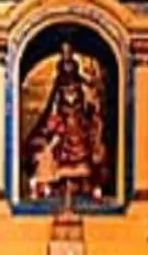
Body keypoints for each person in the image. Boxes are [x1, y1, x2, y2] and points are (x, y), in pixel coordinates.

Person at [24, 43, 107, 200]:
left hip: (78, 120)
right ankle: (51, 181)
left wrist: (93, 87)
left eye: (69, 52)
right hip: (64, 121)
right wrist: (54, 119)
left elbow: (88, 92)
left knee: (84, 146)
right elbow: (53, 103)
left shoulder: (79, 83)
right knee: (58, 146)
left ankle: (89, 183)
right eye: (64, 53)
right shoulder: (59, 83)